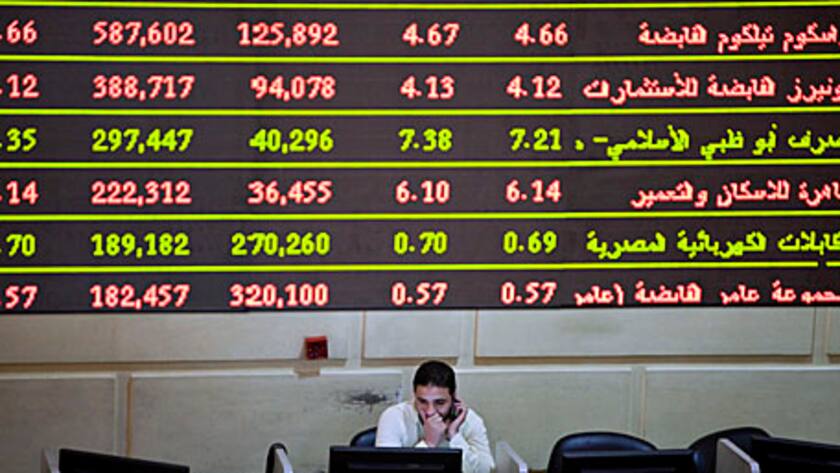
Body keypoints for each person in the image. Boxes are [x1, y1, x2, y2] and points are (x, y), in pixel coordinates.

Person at [375, 360, 494, 473]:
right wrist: (429, 444)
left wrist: (454, 436)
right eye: (422, 401)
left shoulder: (470, 420)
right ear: (414, 395)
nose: (430, 411)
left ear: (453, 397)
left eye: (440, 403)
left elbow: (484, 471)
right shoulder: (394, 417)